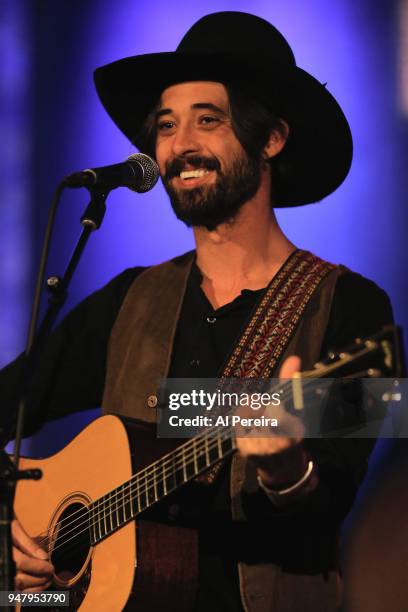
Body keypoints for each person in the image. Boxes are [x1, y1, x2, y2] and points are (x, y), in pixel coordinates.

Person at [1, 11, 394, 612]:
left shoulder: (353, 309)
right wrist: (11, 530)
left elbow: (335, 496)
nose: (179, 145)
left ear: (271, 138)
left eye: (207, 121)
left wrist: (289, 470)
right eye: (165, 126)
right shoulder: (127, 303)